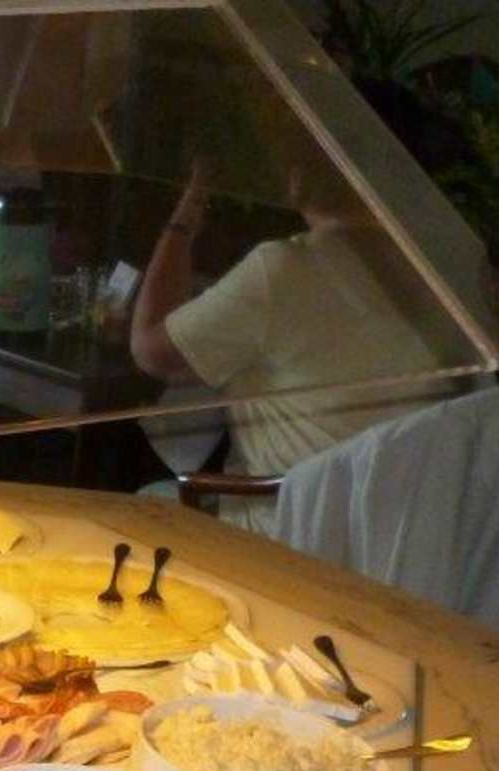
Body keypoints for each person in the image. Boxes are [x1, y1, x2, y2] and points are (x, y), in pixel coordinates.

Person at [130, 157, 478, 533]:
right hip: (396, 531)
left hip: (287, 531)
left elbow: (151, 352)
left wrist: (183, 221)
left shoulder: (282, 269)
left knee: (146, 500)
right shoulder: (442, 271)